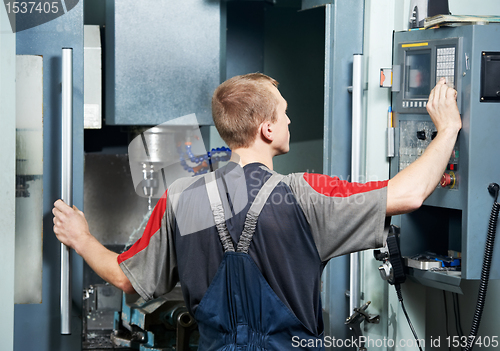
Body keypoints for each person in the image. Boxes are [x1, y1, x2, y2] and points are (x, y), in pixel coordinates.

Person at [53, 74, 461, 350]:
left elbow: (127, 279)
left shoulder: (181, 198)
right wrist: (447, 130)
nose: (289, 119)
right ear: (267, 129)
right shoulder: (306, 193)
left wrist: (80, 237)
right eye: (283, 113)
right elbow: (408, 194)